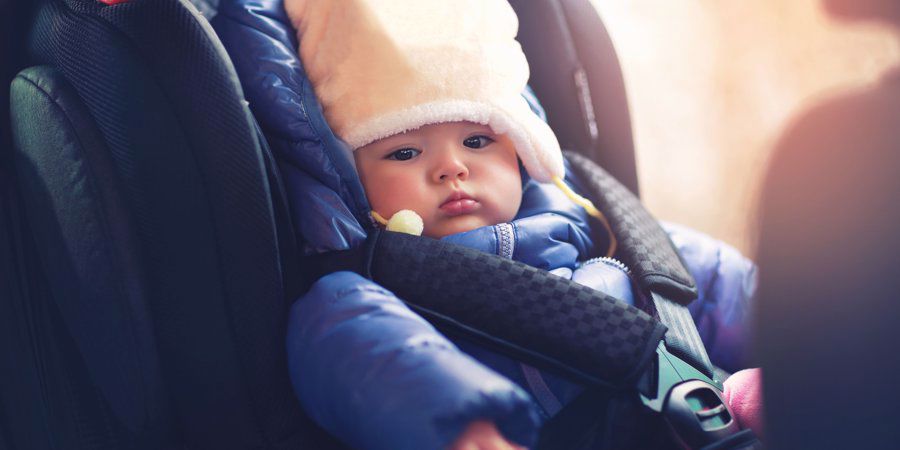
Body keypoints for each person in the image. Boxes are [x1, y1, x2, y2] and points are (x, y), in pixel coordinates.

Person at [284, 0, 760, 448]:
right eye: (404, 152)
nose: (452, 168)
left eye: (476, 140)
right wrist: (462, 421)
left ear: (521, 150)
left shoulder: (617, 240)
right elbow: (367, 354)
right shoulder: (362, 291)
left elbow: (747, 296)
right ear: (352, 178)